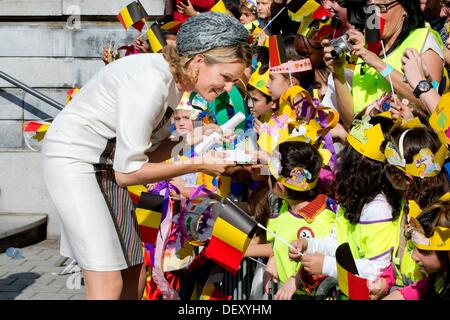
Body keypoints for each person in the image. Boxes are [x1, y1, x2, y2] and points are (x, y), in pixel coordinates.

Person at [41, 12, 251, 300]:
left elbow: (150, 151)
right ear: (199, 61)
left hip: (103, 166)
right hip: (77, 163)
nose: (228, 88)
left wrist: (193, 137)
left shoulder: (172, 82)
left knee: (134, 274)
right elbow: (128, 173)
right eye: (226, 78)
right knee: (108, 283)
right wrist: (198, 163)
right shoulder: (151, 82)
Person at [289, 113, 402, 298]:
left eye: (349, 152)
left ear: (358, 162)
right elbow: (338, 243)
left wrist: (325, 265)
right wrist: (308, 245)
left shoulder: (377, 207)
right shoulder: (355, 196)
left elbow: (377, 270)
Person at [324, 0, 444, 126]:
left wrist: (379, 64)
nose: (374, 15)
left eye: (381, 7)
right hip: (367, 143)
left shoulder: (423, 38)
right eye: (369, 8)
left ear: (405, 8)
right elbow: (351, 123)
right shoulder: (365, 51)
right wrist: (338, 73)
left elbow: (433, 103)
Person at [384, 194, 450, 299]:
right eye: (414, 247)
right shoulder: (437, 276)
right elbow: (420, 288)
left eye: (423, 251)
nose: (413, 256)